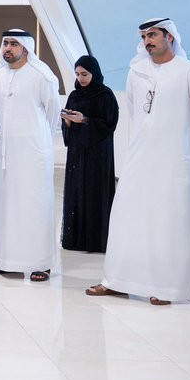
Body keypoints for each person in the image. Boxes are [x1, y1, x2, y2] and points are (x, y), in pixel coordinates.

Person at [88, 18, 190, 305]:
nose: (147, 41)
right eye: (144, 37)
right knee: (127, 217)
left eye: (153, 35)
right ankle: (118, 281)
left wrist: (182, 144)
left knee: (169, 223)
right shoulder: (137, 73)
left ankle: (168, 288)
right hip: (140, 159)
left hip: (175, 162)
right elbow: (135, 113)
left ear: (170, 37)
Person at [0, 29, 61, 282]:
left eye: (14, 44)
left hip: (34, 152)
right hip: (6, 153)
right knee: (8, 206)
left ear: (26, 48)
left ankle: (42, 263)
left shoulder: (42, 76)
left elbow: (52, 113)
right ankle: (8, 261)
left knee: (36, 206)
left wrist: (37, 139)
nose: (8, 48)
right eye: (5, 43)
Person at [60, 55, 118, 253]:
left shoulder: (105, 95)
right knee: (76, 191)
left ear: (94, 72)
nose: (81, 78)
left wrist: (84, 120)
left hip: (97, 155)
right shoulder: (74, 96)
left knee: (94, 192)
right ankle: (75, 239)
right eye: (77, 74)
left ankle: (95, 241)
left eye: (84, 74)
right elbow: (68, 127)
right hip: (77, 153)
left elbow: (109, 124)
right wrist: (68, 121)